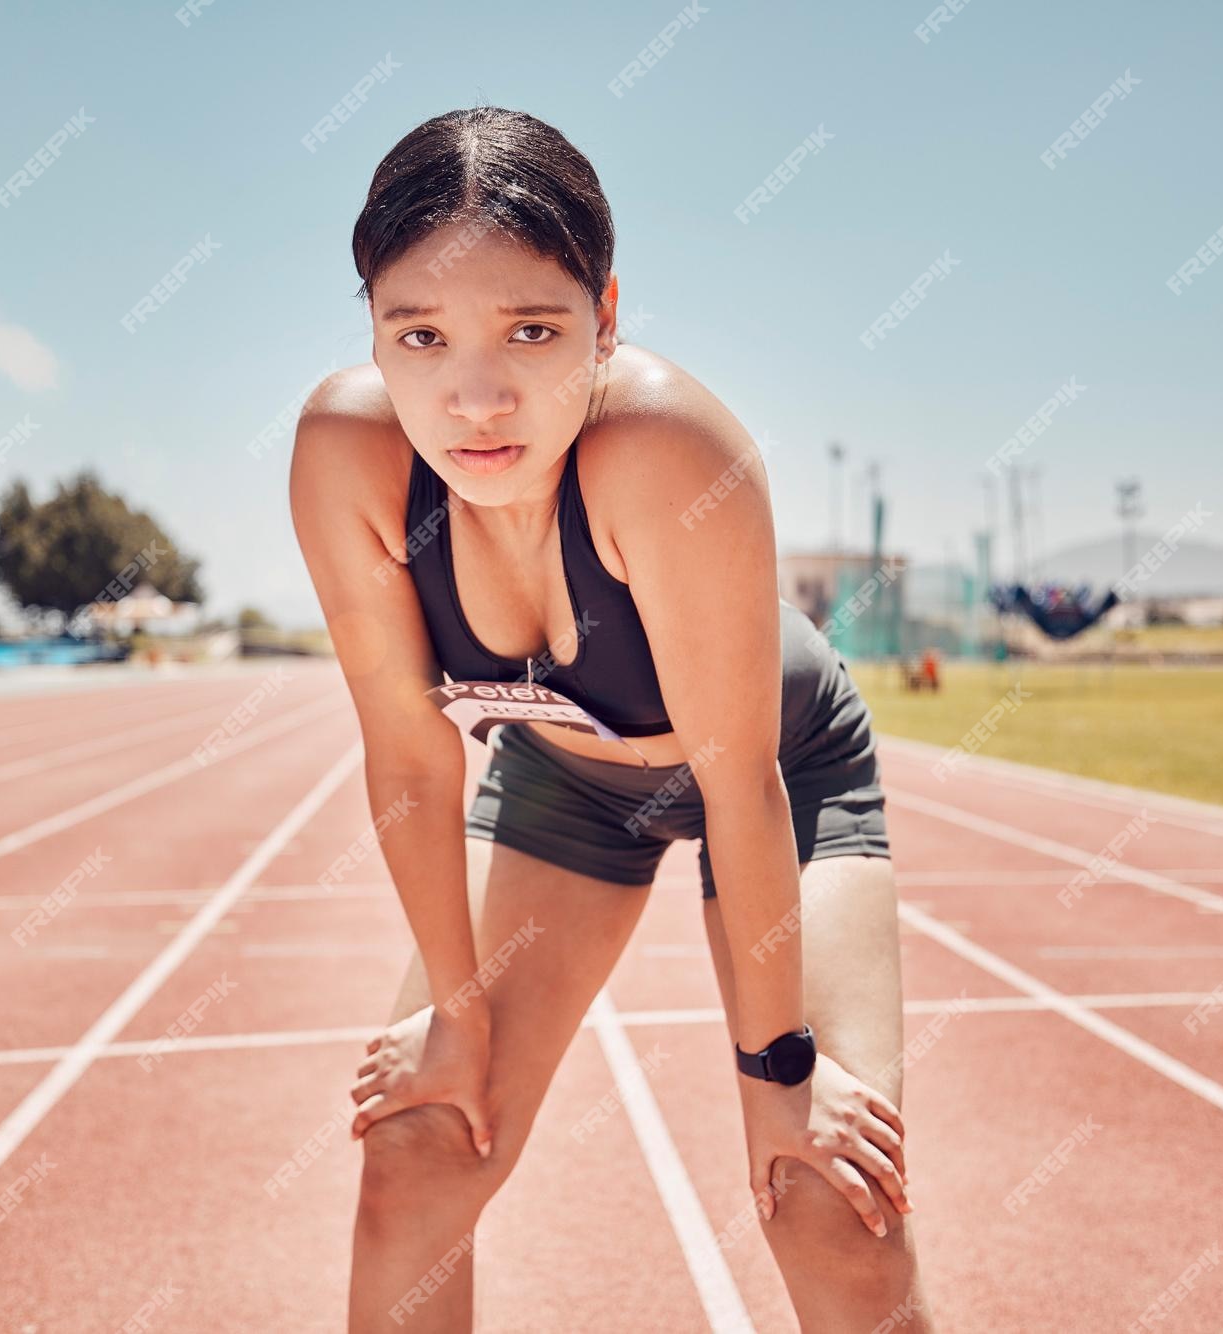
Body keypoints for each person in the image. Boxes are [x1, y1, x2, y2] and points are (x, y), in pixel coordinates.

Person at [289, 106, 931, 1332]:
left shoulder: (661, 446)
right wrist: (458, 1016)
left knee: (825, 1201)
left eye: (531, 329)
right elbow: (412, 754)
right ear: (372, 331)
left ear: (607, 314)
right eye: (417, 335)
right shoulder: (346, 453)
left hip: (777, 772)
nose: (475, 397)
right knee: (417, 1147)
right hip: (564, 784)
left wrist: (777, 1074)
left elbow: (739, 783)